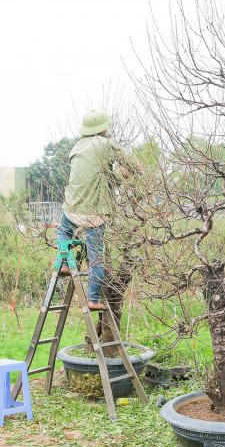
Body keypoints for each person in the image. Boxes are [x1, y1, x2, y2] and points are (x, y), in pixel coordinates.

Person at [58, 109, 129, 310]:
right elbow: (133, 167)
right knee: (96, 257)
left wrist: (113, 177)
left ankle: (64, 262)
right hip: (96, 212)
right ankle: (93, 299)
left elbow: (96, 177)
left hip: (72, 208)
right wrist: (124, 174)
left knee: (62, 231)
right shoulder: (108, 145)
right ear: (104, 129)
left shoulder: (77, 147)